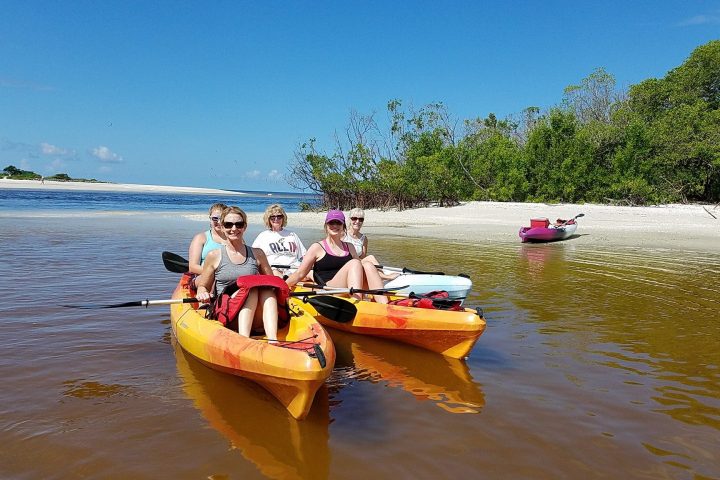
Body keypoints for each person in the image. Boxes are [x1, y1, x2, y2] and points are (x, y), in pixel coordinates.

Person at [195, 206, 279, 340]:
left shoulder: (258, 254)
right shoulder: (214, 256)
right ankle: (244, 339)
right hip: (230, 314)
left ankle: (273, 340)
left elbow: (273, 283)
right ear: (222, 227)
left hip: (256, 315)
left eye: (238, 224)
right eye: (228, 225)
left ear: (244, 227)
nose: (234, 229)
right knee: (250, 289)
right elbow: (203, 286)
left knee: (267, 289)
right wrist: (202, 293)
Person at [285, 209, 388, 303]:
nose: (335, 225)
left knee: (368, 265)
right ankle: (357, 301)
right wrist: (283, 286)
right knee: (355, 263)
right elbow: (300, 273)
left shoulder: (350, 247)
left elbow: (361, 269)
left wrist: (382, 275)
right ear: (326, 225)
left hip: (349, 287)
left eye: (338, 222)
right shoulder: (317, 247)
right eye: (331, 222)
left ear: (343, 225)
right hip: (329, 289)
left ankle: (384, 304)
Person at [343, 207, 398, 281]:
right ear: (350, 220)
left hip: (358, 264)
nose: (357, 221)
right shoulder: (343, 235)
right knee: (370, 258)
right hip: (345, 264)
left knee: (370, 258)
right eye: (354, 218)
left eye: (361, 219)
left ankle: (381, 275)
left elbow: (363, 258)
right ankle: (384, 277)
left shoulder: (363, 238)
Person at [252, 204, 307, 277]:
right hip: (274, 269)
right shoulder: (263, 236)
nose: (276, 219)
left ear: (283, 218)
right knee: (275, 273)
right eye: (273, 217)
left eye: (279, 217)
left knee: (310, 273)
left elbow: (304, 255)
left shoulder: (292, 235)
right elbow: (253, 256)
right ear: (268, 219)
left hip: (293, 268)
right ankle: (285, 283)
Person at [188, 203, 228, 277]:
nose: (219, 222)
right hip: (205, 277)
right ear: (210, 219)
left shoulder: (233, 238)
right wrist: (217, 274)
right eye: (215, 218)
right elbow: (193, 267)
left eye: (222, 218)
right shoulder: (201, 238)